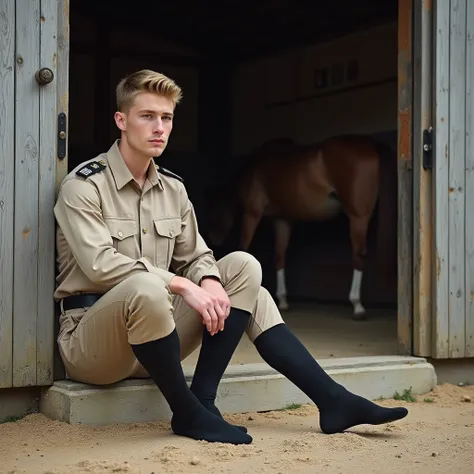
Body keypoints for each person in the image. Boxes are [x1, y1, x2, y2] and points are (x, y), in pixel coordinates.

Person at [53, 69, 408, 446]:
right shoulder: (84, 185)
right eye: (147, 116)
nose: (159, 127)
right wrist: (182, 284)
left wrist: (206, 279)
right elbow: (99, 263)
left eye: (167, 118)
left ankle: (324, 401)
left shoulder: (172, 188)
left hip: (154, 346)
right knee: (145, 285)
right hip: (94, 347)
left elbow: (198, 254)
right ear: (121, 121)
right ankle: (187, 413)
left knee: (243, 267)